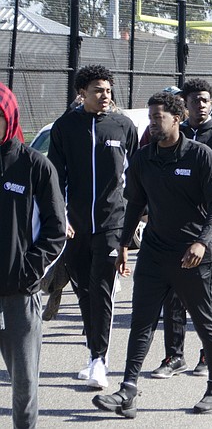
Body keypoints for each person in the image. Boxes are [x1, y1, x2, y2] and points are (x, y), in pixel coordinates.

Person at [93, 92, 212, 417]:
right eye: (151, 118)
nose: (153, 123)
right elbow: (135, 204)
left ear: (177, 118)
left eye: (159, 117)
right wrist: (124, 244)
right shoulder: (143, 158)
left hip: (193, 256)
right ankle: (127, 390)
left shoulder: (200, 155)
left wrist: (201, 241)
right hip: (154, 254)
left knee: (204, 322)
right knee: (141, 322)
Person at [47, 64, 139, 389]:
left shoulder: (123, 126)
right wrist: (62, 217)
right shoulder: (64, 128)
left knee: (101, 288)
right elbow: (55, 178)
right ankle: (93, 353)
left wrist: (136, 218)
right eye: (98, 90)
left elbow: (136, 176)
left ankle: (100, 360)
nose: (105, 95)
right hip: (75, 225)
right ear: (81, 93)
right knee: (83, 289)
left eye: (108, 90)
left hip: (112, 223)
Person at [153, 79, 212, 380]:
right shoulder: (172, 138)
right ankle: (174, 356)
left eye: (205, 99)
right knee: (173, 299)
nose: (200, 104)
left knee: (211, 301)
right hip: (175, 237)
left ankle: (208, 356)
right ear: (184, 104)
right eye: (194, 100)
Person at [0, 82, 67, 429]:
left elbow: (57, 229)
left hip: (18, 293)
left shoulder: (35, 166)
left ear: (9, 117)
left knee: (23, 382)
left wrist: (30, 272)